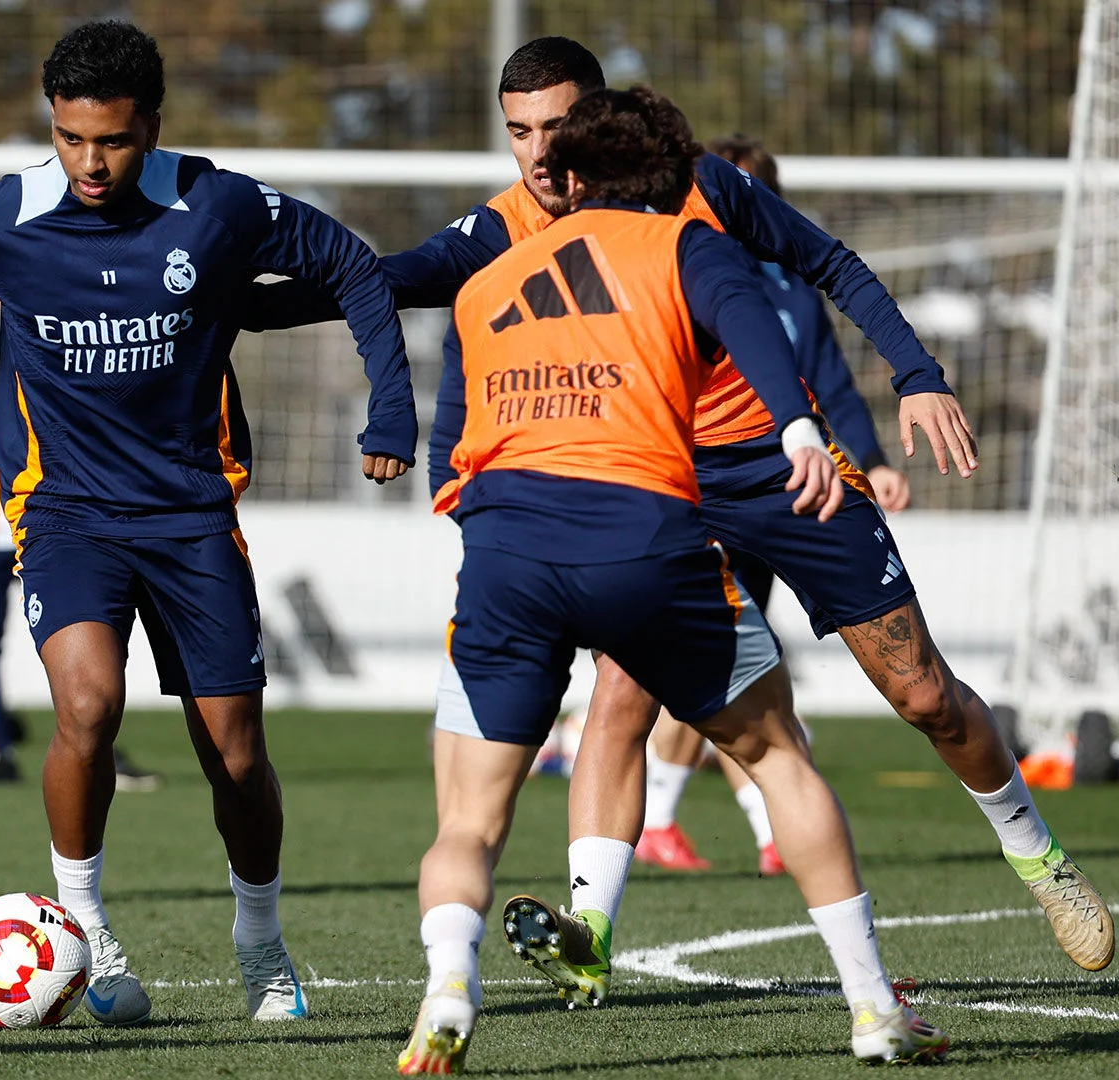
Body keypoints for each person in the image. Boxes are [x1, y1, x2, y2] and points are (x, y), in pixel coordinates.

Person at [259, 36, 1112, 979]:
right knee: (621, 699)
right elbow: (397, 277)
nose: (541, 154)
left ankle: (1037, 853)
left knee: (922, 694)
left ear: (607, 122)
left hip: (783, 467)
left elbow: (830, 263)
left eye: (560, 127)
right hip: (652, 484)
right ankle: (592, 937)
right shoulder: (507, 225)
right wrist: (239, 302)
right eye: (520, 133)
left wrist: (914, 375)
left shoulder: (704, 190)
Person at [399, 86, 947, 1073]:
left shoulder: (489, 280)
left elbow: (452, 402)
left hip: (508, 557)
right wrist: (803, 430)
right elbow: (768, 335)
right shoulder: (684, 247)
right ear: (677, 175)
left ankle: (448, 987)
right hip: (645, 543)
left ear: (567, 177)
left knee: (469, 820)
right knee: (779, 755)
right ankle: (874, 1010)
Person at [0, 21, 415, 1026]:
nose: (91, 163)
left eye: (114, 141)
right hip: (65, 511)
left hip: (189, 514)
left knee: (234, 750)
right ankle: (85, 930)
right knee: (86, 707)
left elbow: (353, 266)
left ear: (153, 127)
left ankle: (259, 944)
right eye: (71, 138)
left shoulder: (217, 204)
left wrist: (391, 407)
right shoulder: (0, 220)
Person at [636, 134, 908, 877]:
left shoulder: (788, 290)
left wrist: (873, 460)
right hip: (707, 491)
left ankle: (730, 822)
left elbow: (830, 383)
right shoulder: (667, 270)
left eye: (756, 193)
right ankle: (710, 823)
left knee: (745, 664)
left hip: (795, 489)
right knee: (721, 660)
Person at [0, 332, 162, 795]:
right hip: (54, 519)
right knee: (98, 636)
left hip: (6, 523)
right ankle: (94, 750)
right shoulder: (50, 311)